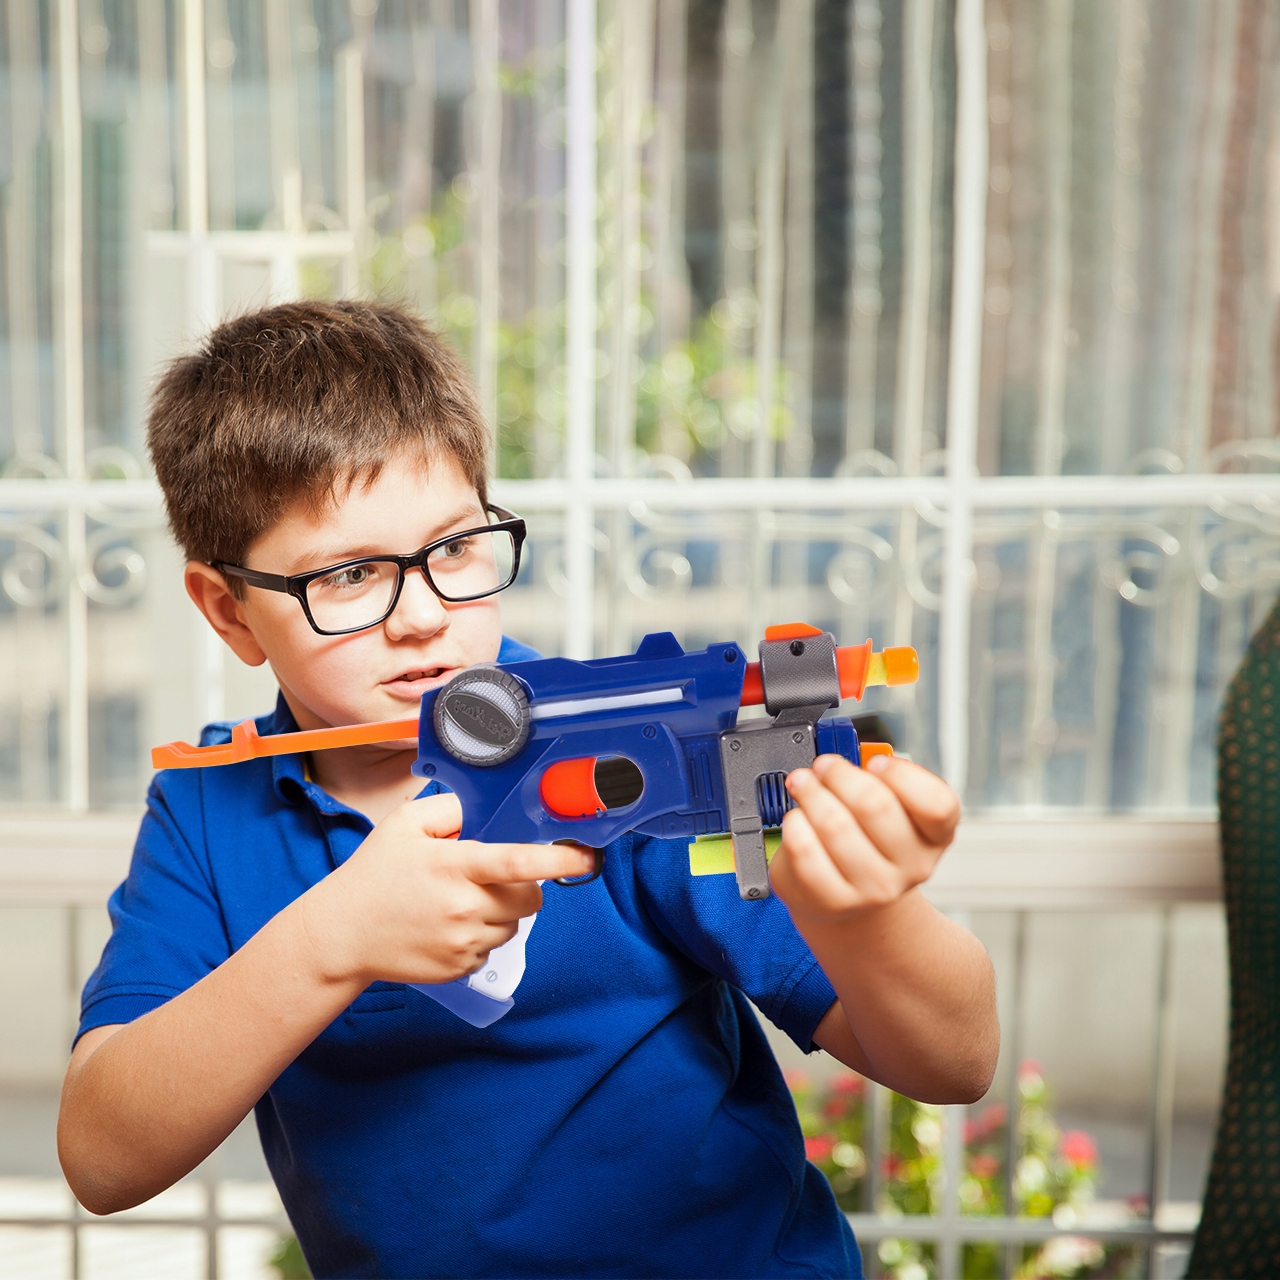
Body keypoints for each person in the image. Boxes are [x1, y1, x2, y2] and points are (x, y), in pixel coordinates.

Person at [57, 300, 998, 1279]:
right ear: (229, 611)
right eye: (347, 575)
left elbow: (953, 1058)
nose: (422, 615)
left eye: (455, 549)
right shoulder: (213, 809)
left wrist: (866, 913)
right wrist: (334, 938)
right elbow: (102, 1157)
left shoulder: (624, 741)